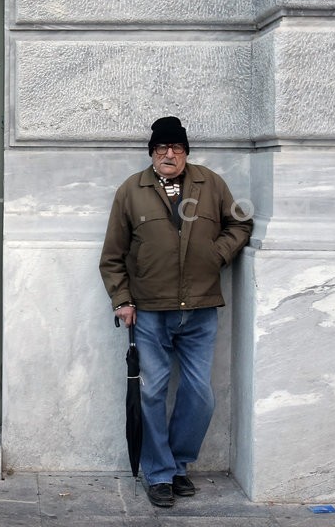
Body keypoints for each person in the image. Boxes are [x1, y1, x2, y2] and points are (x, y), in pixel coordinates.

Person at [98, 116, 252, 508]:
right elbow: (113, 256)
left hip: (200, 308)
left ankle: (179, 463)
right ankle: (160, 473)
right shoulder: (131, 190)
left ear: (186, 152)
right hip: (149, 309)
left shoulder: (210, 183)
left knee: (200, 394)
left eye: (177, 148)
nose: (170, 154)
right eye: (162, 148)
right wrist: (122, 300)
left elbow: (240, 223)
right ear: (152, 152)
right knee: (151, 393)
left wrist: (217, 254)